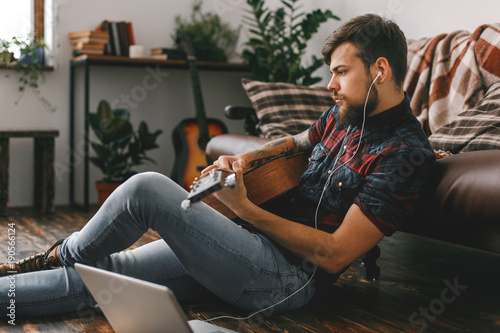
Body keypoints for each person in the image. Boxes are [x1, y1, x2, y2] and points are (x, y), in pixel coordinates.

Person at [0, 14, 435, 318]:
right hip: (238, 249)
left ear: (380, 69)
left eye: (341, 72)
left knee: (147, 189)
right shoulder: (344, 117)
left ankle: (53, 257)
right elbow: (299, 141)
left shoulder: (401, 154)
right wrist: (243, 160)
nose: (330, 85)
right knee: (104, 277)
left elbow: (338, 252)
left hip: (283, 281)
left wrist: (245, 209)